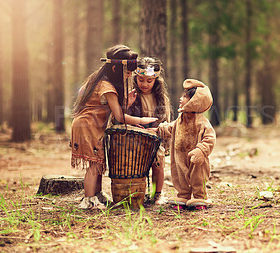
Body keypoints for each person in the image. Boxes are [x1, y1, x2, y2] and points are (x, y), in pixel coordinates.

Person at [70, 45, 157, 209]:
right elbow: (119, 117)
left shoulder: (97, 80)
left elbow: (109, 109)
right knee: (94, 164)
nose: (129, 76)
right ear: (116, 68)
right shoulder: (107, 87)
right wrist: (143, 120)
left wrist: (127, 103)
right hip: (88, 125)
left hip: (90, 125)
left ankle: (97, 194)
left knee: (98, 161)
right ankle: (89, 200)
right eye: (128, 72)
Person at [154, 79, 216, 209]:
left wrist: (201, 150)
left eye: (185, 97)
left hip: (196, 159)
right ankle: (183, 195)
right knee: (180, 176)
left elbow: (210, 138)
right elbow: (172, 127)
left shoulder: (201, 121)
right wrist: (161, 129)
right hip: (180, 156)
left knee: (198, 177)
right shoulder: (181, 118)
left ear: (195, 101)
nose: (181, 99)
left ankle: (200, 197)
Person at [128, 57, 171, 204]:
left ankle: (157, 193)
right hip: (134, 137)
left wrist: (158, 129)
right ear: (136, 78)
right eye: (141, 80)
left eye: (149, 81)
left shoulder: (160, 98)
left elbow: (165, 119)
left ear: (156, 80)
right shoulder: (132, 94)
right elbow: (123, 116)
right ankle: (135, 193)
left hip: (155, 136)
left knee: (158, 163)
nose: (144, 84)